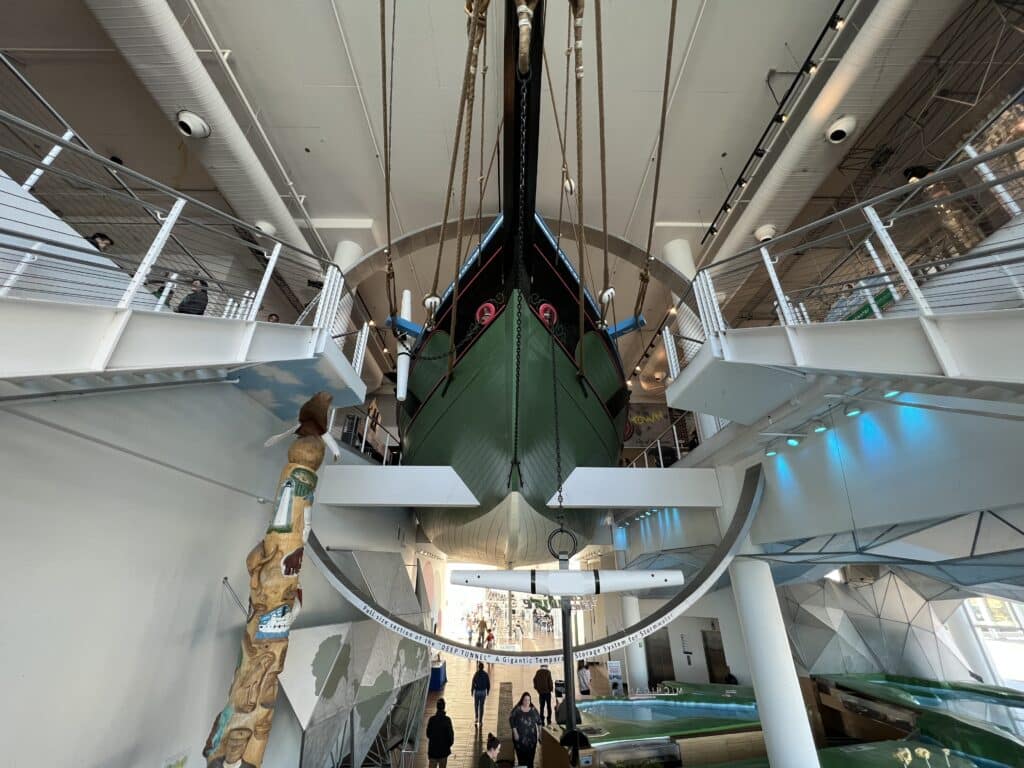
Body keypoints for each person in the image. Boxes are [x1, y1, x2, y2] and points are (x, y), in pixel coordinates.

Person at [509, 692, 542, 768]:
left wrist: (540, 735)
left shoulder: (533, 710)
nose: (527, 702)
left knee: (530, 761)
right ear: (522, 700)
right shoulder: (517, 709)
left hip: (531, 740)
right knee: (522, 761)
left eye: (528, 700)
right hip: (519, 740)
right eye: (525, 700)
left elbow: (539, 722)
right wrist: (515, 732)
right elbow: (511, 720)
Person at [425, 698, 455, 768]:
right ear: (444, 707)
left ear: (437, 707)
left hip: (433, 750)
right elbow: (451, 736)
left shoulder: (432, 720)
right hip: (443, 751)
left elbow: (428, 734)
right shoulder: (447, 720)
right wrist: (448, 745)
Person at [471, 661, 490, 726]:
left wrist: (472, 690)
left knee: (476, 706)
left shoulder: (476, 674)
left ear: (479, 667)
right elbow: (488, 683)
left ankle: (476, 718)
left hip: (477, 692)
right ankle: (481, 720)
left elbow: (473, 682)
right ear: (483, 667)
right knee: (481, 706)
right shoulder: (486, 674)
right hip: (483, 692)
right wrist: (488, 691)